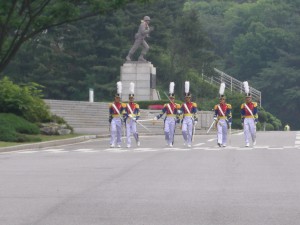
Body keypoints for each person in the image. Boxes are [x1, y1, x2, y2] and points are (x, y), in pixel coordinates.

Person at [153, 82, 181, 147]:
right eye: (170, 98)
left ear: (174, 99)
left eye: (172, 98)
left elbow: (179, 113)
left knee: (171, 132)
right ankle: (168, 140)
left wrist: (179, 117)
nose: (171, 99)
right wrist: (156, 118)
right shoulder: (166, 105)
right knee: (166, 131)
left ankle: (170, 142)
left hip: (173, 119)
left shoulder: (177, 105)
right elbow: (162, 113)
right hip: (167, 119)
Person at [213, 83, 232, 147]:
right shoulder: (217, 106)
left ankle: (224, 143)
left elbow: (229, 114)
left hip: (225, 120)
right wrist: (215, 118)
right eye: (220, 99)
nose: (221, 100)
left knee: (224, 132)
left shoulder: (228, 106)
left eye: (222, 99)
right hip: (219, 120)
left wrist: (230, 121)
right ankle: (219, 142)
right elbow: (215, 114)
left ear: (224, 100)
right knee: (219, 131)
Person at [180, 81, 198, 148]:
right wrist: (179, 113)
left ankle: (189, 142)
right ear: (185, 98)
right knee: (183, 130)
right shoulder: (183, 104)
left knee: (190, 132)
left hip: (190, 118)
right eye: (186, 98)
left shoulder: (193, 104)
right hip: (185, 119)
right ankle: (186, 139)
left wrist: (196, 119)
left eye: (188, 98)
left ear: (190, 98)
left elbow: (195, 112)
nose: (187, 99)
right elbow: (181, 111)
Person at [241, 81, 258, 147]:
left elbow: (255, 112)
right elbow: (242, 113)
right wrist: (242, 121)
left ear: (251, 98)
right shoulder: (243, 105)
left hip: (252, 118)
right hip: (246, 118)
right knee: (246, 131)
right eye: (247, 98)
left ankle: (254, 140)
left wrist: (256, 120)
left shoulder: (254, 104)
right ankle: (247, 142)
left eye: (249, 98)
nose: (248, 99)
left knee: (253, 132)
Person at [109, 81, 126, 148]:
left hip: (119, 118)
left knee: (119, 131)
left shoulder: (122, 105)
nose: (117, 99)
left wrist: (124, 117)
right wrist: (110, 119)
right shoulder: (112, 105)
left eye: (118, 98)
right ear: (115, 98)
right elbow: (110, 113)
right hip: (113, 118)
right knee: (113, 130)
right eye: (116, 98)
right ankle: (112, 142)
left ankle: (119, 143)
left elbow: (123, 112)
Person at [124, 82, 141, 148]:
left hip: (133, 120)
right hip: (128, 120)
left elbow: (138, 113)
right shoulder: (126, 105)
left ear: (133, 99)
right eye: (130, 98)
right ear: (129, 99)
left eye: (132, 98)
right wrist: (127, 115)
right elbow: (124, 112)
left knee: (134, 132)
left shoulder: (136, 105)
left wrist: (136, 118)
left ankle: (137, 140)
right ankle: (129, 144)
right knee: (128, 133)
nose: (131, 99)